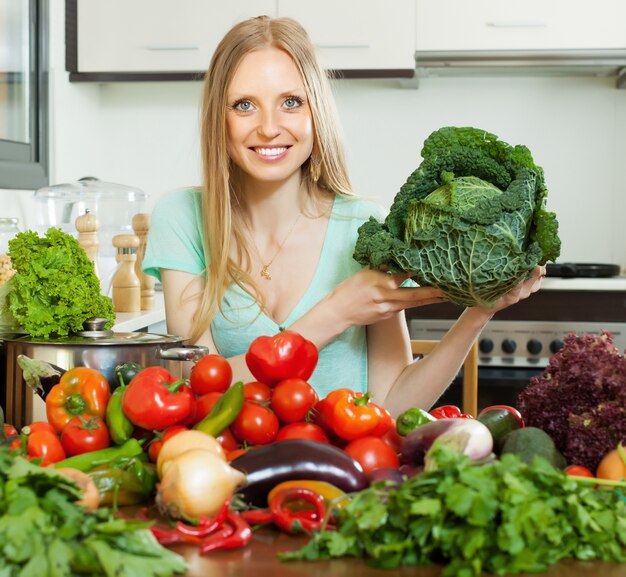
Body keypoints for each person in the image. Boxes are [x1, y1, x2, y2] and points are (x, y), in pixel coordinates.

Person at [142, 15, 544, 418]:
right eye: (244, 105)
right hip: (226, 473)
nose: (268, 127)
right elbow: (194, 389)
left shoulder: (364, 227)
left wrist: (479, 312)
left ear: (316, 111)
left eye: (291, 102)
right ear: (219, 118)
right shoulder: (182, 219)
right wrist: (336, 313)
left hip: (346, 473)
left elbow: (393, 404)